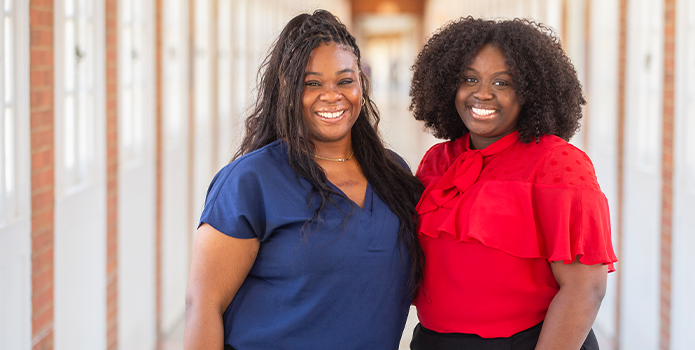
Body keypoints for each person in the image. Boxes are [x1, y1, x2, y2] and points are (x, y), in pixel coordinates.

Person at [184, 10, 423, 350]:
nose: (332, 95)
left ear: (361, 83)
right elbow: (203, 305)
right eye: (312, 83)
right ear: (287, 87)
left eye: (345, 80)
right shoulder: (251, 182)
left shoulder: (393, 175)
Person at [408, 17, 618, 350]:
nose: (482, 94)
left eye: (502, 83)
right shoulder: (437, 161)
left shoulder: (558, 164)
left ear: (530, 91)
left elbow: (585, 289)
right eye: (470, 79)